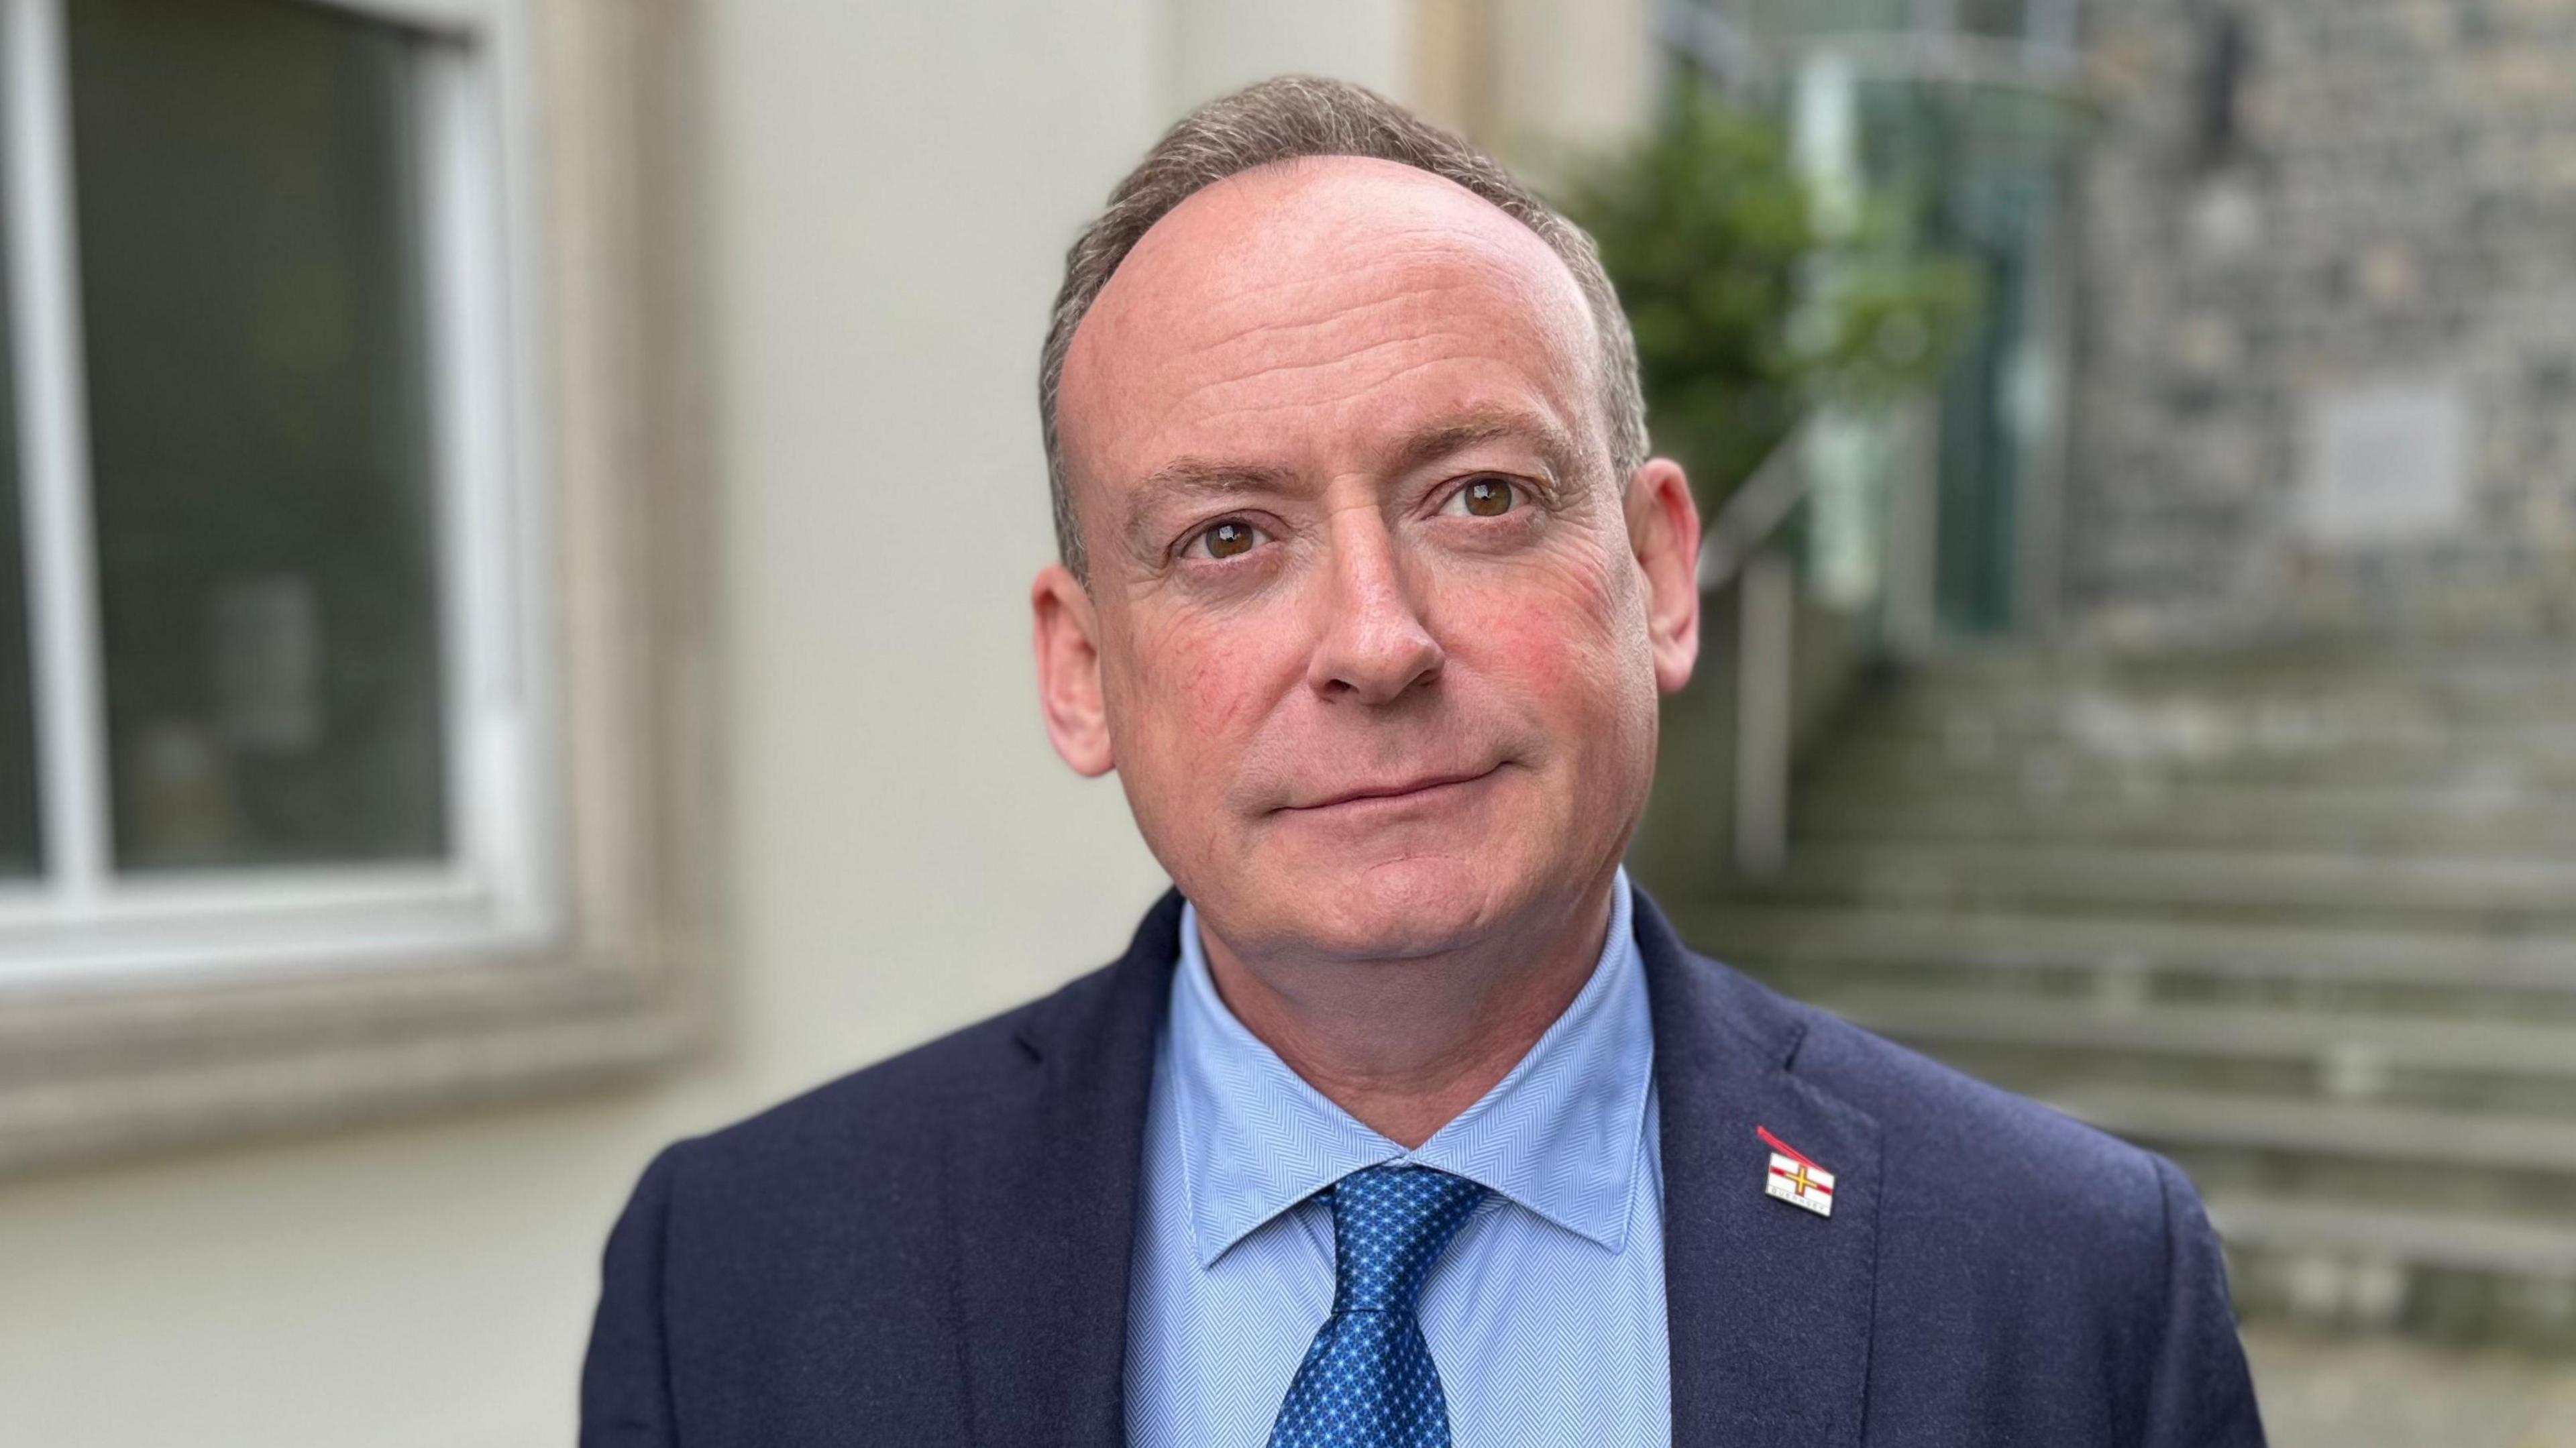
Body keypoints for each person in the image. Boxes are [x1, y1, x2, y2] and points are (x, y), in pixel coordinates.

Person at [580, 76, 2265, 1447]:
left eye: (1481, 499)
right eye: (1229, 536)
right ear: (1083, 673)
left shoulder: (2070, 1287)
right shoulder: (740, 1275)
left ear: (1662, 574)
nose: (1376, 644)